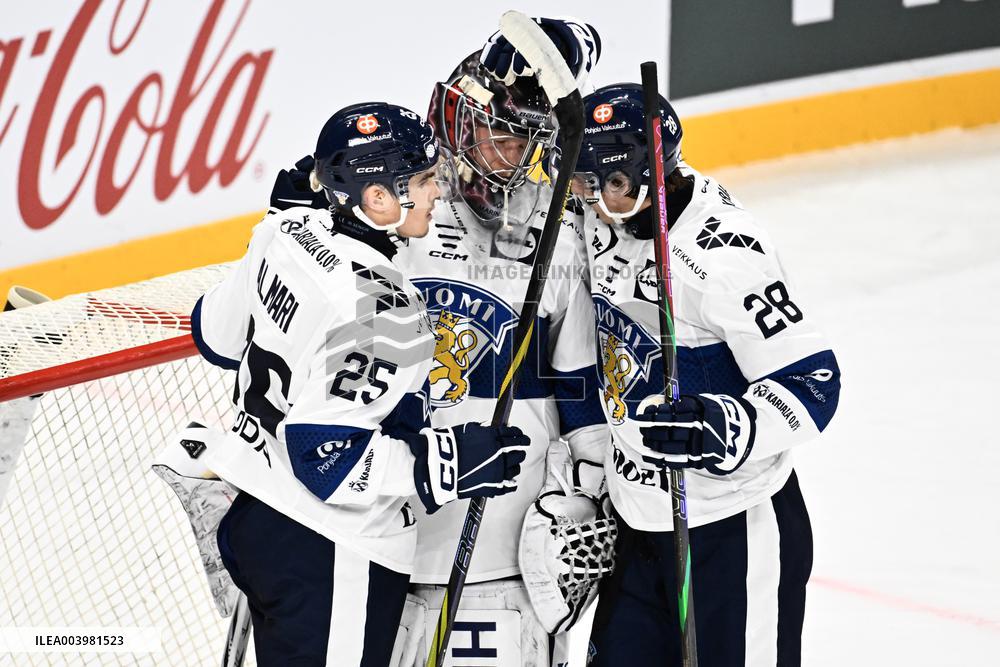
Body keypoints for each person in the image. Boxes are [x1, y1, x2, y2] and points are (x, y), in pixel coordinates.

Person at [185, 102, 529, 667]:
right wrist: (443, 464)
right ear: (377, 199)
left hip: (250, 515)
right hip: (327, 552)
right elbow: (326, 460)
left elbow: (215, 338)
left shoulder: (285, 229)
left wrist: (270, 241)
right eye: (421, 181)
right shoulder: (387, 314)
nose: (437, 193)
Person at [570, 84, 842, 666]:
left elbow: (814, 381)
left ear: (650, 178)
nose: (591, 201)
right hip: (636, 525)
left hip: (730, 530)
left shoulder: (722, 259)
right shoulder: (606, 217)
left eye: (608, 186)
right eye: (584, 183)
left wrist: (730, 424)